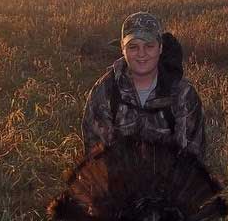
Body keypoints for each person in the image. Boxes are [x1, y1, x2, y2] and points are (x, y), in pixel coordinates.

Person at [81, 11, 205, 160]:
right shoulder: (105, 91)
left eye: (149, 46)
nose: (141, 54)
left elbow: (192, 159)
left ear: (160, 48)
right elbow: (95, 156)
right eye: (133, 47)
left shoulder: (183, 94)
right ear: (122, 48)